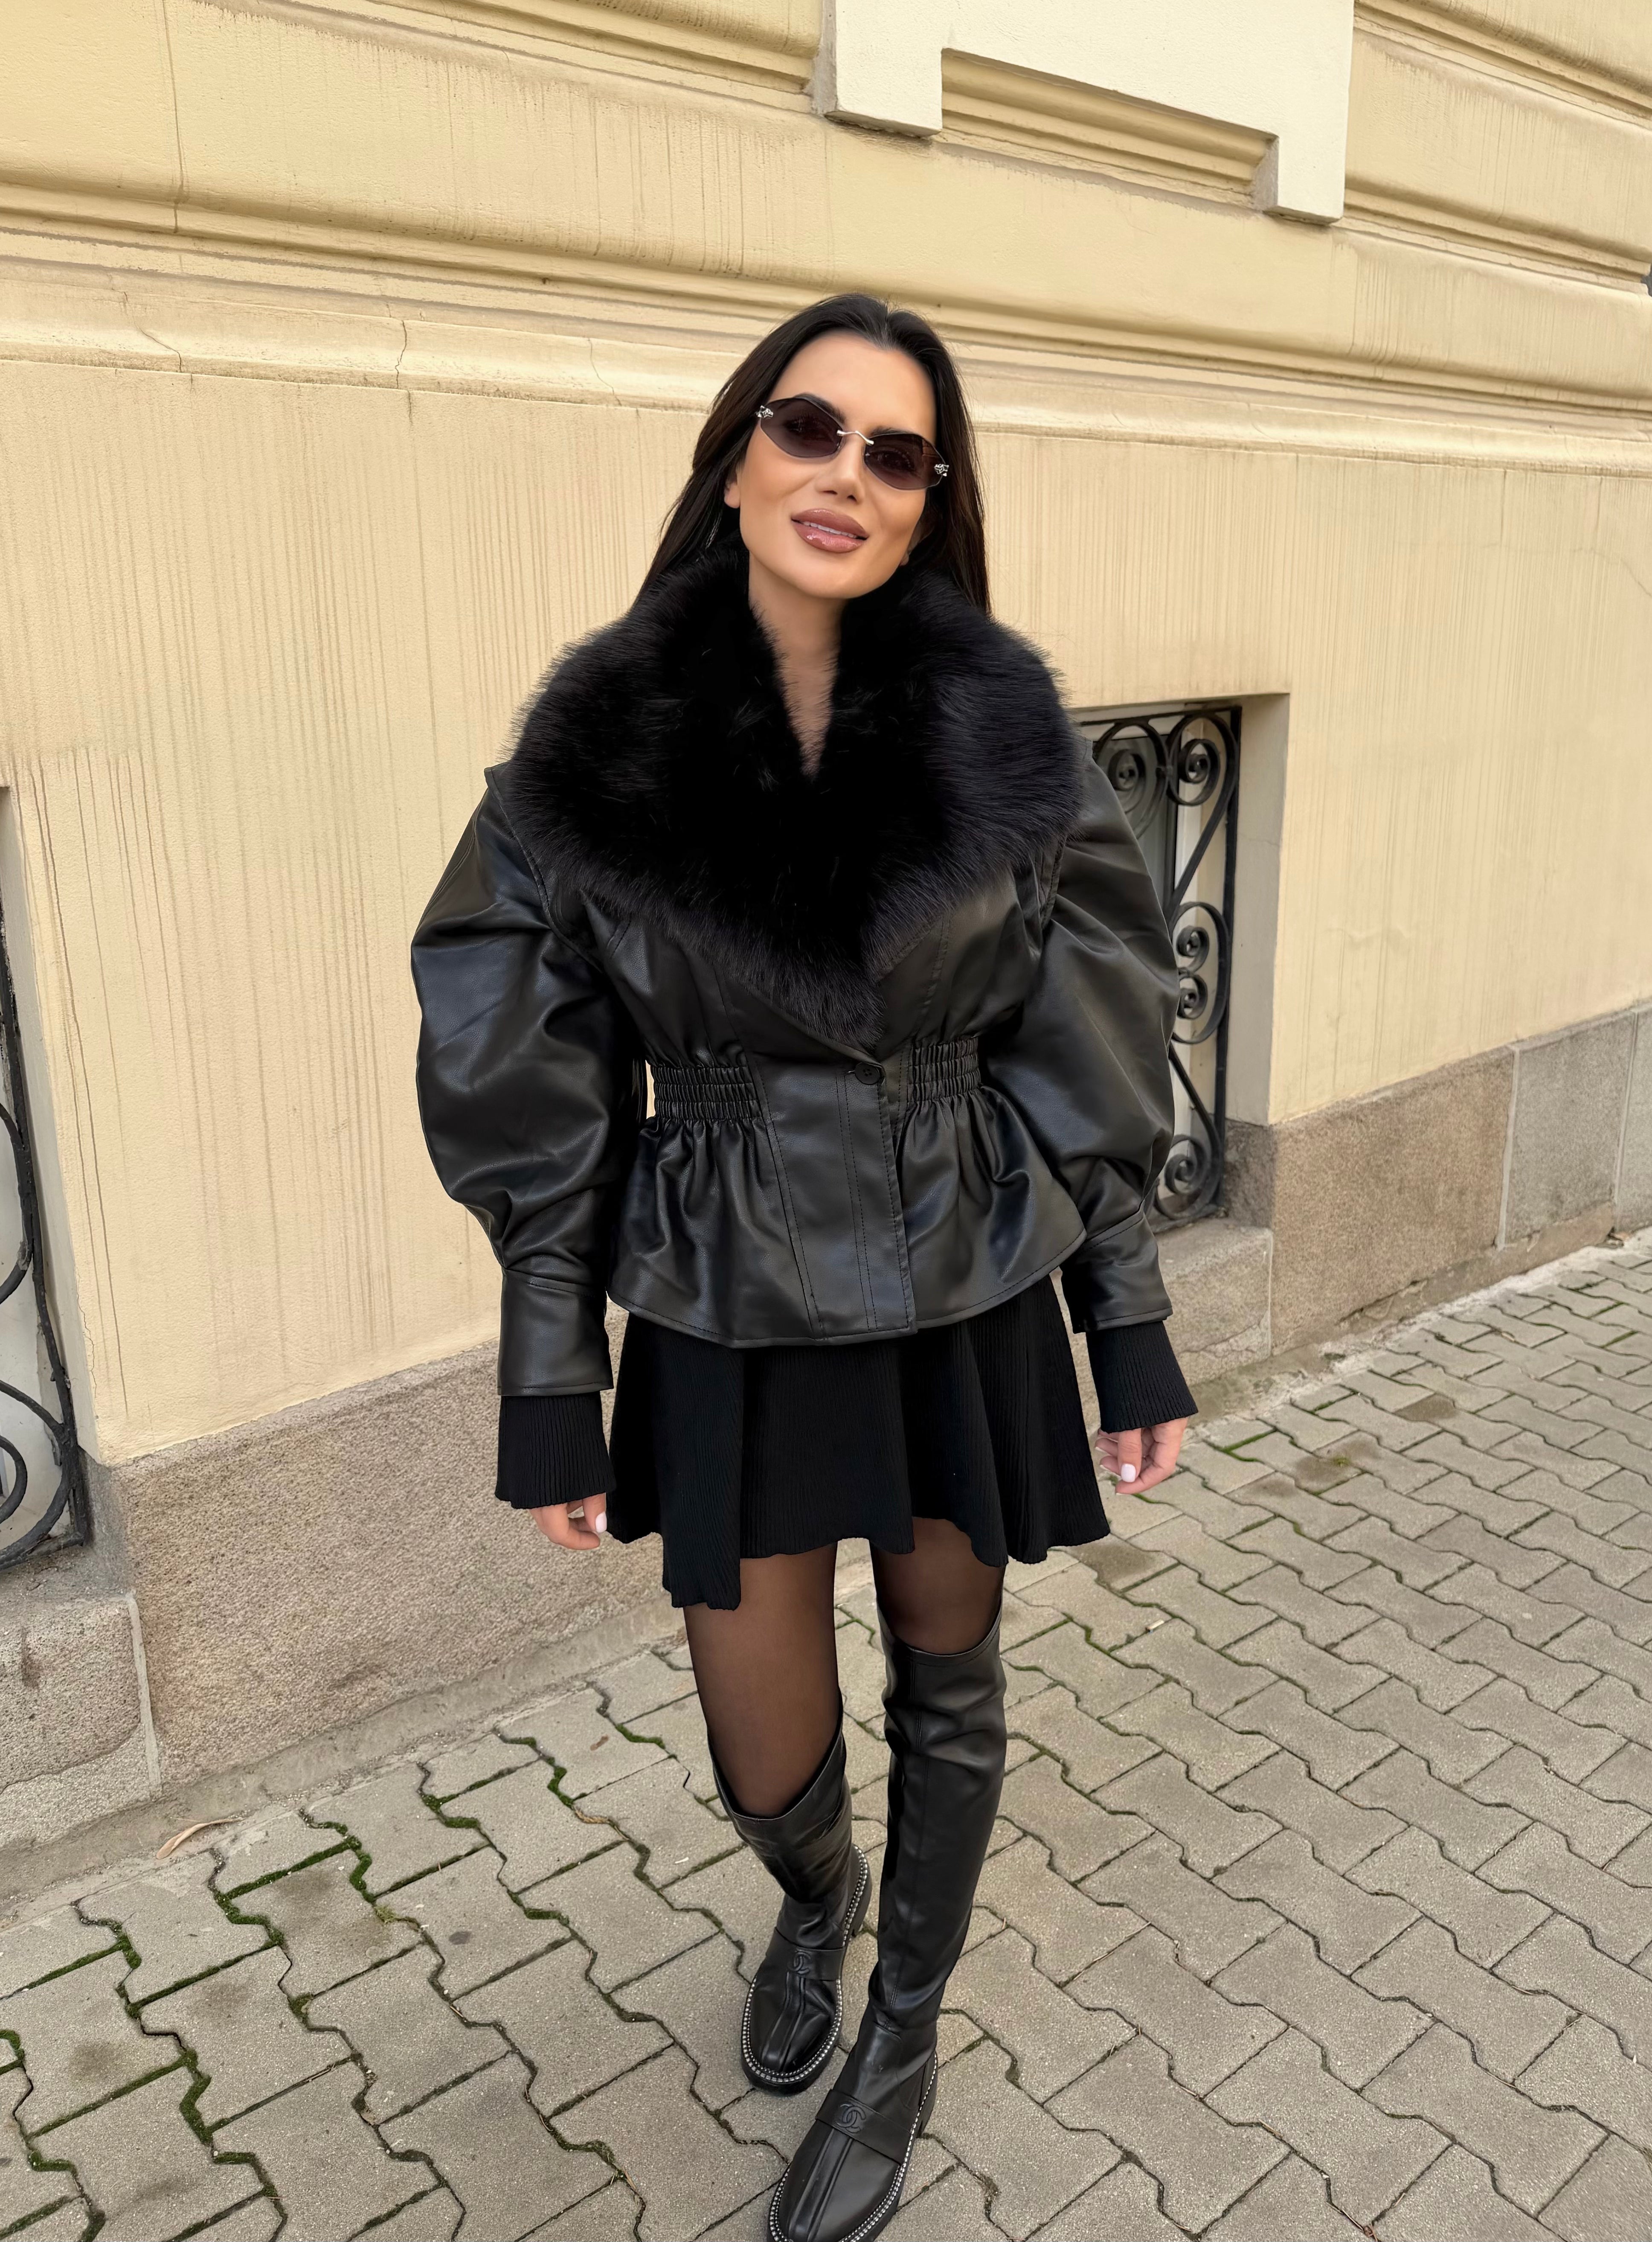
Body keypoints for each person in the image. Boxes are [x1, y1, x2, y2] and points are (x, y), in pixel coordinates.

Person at [412, 292, 1196, 2242]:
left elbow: (1084, 1042)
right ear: (737, 456)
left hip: (961, 1269)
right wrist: (549, 1365)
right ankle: (818, 1896)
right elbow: (530, 1062)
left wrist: (1124, 1321)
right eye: (808, 427)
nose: (846, 472)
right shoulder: (594, 756)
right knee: (762, 1744)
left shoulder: (1005, 744)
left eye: (894, 450)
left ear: (929, 500)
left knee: (948, 1673)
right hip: (723, 1291)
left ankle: (899, 2037)